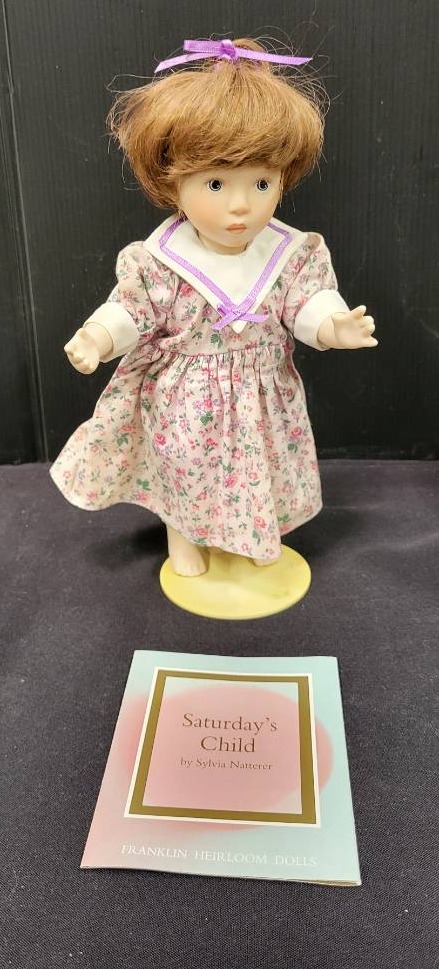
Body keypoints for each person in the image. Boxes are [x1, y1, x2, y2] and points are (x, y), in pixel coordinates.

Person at [50, 37, 377, 577]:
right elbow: (133, 309)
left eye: (262, 182)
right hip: (186, 398)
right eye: (217, 183)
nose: (241, 205)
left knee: (260, 465)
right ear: (172, 181)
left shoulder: (289, 251)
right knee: (186, 470)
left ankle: (249, 536)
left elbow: (304, 299)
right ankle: (183, 540)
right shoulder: (160, 260)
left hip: (262, 395)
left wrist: (331, 324)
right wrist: (99, 336)